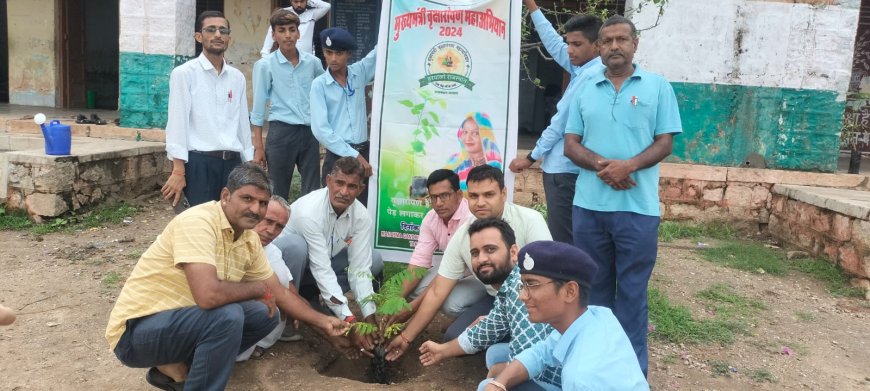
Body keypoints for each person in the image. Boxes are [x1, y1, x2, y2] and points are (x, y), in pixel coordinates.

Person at [106, 163, 347, 390]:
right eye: (247, 198)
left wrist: (324, 322)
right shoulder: (198, 222)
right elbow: (208, 296)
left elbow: (280, 292)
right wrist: (258, 290)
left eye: (262, 203)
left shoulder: (248, 238)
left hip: (179, 324)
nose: (255, 209)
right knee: (227, 315)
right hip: (136, 333)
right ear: (225, 196)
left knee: (265, 315)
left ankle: (179, 371)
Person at [563, 15, 682, 376]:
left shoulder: (658, 87)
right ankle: (593, 372)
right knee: (592, 294)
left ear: (635, 44)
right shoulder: (583, 87)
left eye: (621, 40)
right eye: (607, 40)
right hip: (589, 209)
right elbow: (571, 145)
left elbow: (665, 142)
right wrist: (606, 166)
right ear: (599, 47)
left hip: (638, 210)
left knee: (632, 295)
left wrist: (627, 166)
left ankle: (630, 377)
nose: (614, 46)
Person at [384, 164, 552, 360]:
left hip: (532, 299)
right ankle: (500, 338)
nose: (480, 203)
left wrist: (506, 316)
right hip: (495, 298)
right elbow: (438, 290)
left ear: (503, 194)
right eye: (474, 196)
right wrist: (405, 338)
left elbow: (547, 280)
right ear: (467, 197)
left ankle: (511, 344)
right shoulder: (465, 232)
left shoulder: (531, 221)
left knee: (530, 342)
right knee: (454, 336)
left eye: (488, 195)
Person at [481, 241, 649, 390]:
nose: (522, 296)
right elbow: (541, 352)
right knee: (494, 378)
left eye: (532, 284)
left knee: (484, 386)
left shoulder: (580, 378)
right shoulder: (597, 315)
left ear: (570, 291)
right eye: (522, 285)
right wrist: (499, 383)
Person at [418, 218, 561, 391]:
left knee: (488, 384)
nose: (482, 259)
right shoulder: (511, 284)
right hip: (552, 359)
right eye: (475, 253)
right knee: (494, 354)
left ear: (514, 252)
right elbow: (486, 331)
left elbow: (530, 363)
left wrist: (499, 372)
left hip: (564, 379)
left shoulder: (521, 290)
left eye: (490, 249)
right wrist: (442, 350)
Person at [508, 0, 603, 244]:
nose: (570, 50)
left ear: (597, 46)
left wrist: (530, 158)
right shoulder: (584, 68)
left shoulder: (590, 75)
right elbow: (554, 44)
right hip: (564, 170)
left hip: (564, 172)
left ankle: (569, 281)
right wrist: (532, 7)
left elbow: (560, 123)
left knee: (564, 238)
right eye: (569, 43)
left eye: (577, 44)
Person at [275, 157, 384, 355]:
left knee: (374, 260)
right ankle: (288, 313)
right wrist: (350, 321)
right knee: (296, 247)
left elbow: (359, 270)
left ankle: (313, 303)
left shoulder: (361, 217)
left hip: (321, 262)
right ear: (328, 181)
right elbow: (321, 270)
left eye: (352, 186)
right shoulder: (310, 212)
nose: (344, 192)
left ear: (360, 189)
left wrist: (369, 318)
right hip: (290, 268)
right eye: (339, 183)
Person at [161, 11, 256, 209]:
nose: (218, 35)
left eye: (223, 30)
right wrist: (178, 171)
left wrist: (250, 164)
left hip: (233, 164)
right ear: (199, 36)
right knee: (200, 224)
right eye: (211, 30)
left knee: (231, 224)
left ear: (229, 37)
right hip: (199, 164)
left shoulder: (236, 77)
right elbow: (177, 123)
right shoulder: (184, 74)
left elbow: (241, 125)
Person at [251, 9, 325, 200]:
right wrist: (259, 147)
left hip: (309, 133)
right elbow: (258, 110)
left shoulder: (313, 63)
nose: (288, 35)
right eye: (281, 30)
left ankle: (306, 230)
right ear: (274, 35)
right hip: (281, 133)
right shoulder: (265, 65)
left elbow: (325, 96)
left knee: (312, 191)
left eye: (292, 30)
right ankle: (277, 229)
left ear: (299, 33)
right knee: (277, 192)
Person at [389, 169, 474, 325]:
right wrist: (395, 302)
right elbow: (419, 262)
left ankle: (470, 322)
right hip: (453, 270)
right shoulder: (431, 218)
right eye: (433, 197)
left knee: (451, 304)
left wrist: (411, 308)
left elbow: (454, 273)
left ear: (459, 195)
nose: (438, 203)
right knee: (414, 287)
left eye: (444, 196)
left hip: (479, 276)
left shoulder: (470, 219)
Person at [310, 27, 377, 205]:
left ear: (348, 54)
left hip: (364, 152)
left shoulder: (359, 73)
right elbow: (321, 130)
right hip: (338, 155)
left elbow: (381, 51)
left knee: (362, 206)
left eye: (338, 53)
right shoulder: (319, 85)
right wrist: (355, 156)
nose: (333, 58)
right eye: (328, 52)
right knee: (334, 205)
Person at [236, 195, 298, 361]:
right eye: (268, 221)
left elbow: (287, 282)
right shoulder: (237, 243)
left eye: (279, 226)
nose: (271, 231)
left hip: (267, 333)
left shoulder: (271, 249)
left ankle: (261, 344)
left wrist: (297, 311)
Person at [446, 112, 504, 191]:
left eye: (475, 133)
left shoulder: (493, 164)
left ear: (485, 136)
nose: (468, 138)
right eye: (465, 132)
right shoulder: (454, 160)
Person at [260, 0, 331, 57]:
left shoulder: (312, 14)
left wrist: (308, 1)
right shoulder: (282, 13)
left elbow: (327, 6)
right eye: (296, 1)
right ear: (291, 1)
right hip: (285, 58)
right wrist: (265, 54)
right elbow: (271, 33)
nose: (299, 5)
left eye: (302, 1)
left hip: (306, 59)